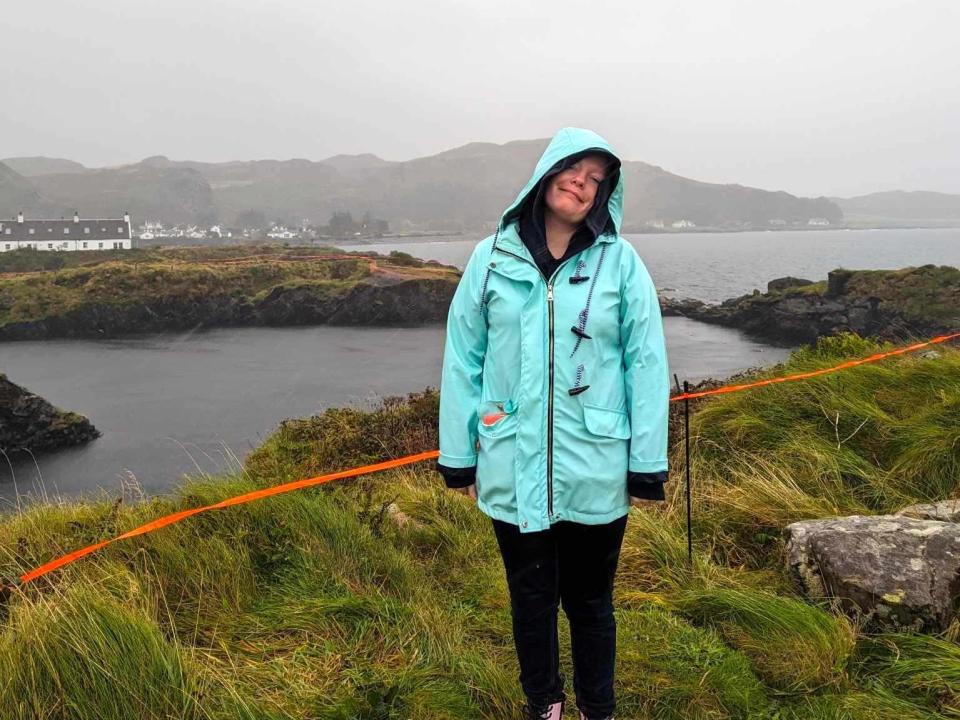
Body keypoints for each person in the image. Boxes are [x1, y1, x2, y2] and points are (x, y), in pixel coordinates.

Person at [435, 127, 670, 720]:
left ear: (604, 193)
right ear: (545, 174)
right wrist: (457, 452)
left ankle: (598, 708)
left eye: (596, 178)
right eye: (574, 169)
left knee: (591, 603)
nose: (582, 183)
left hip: (595, 464)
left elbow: (645, 362)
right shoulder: (490, 259)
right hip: (511, 462)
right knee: (531, 599)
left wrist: (647, 462)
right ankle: (545, 702)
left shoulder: (621, 261)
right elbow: (463, 360)